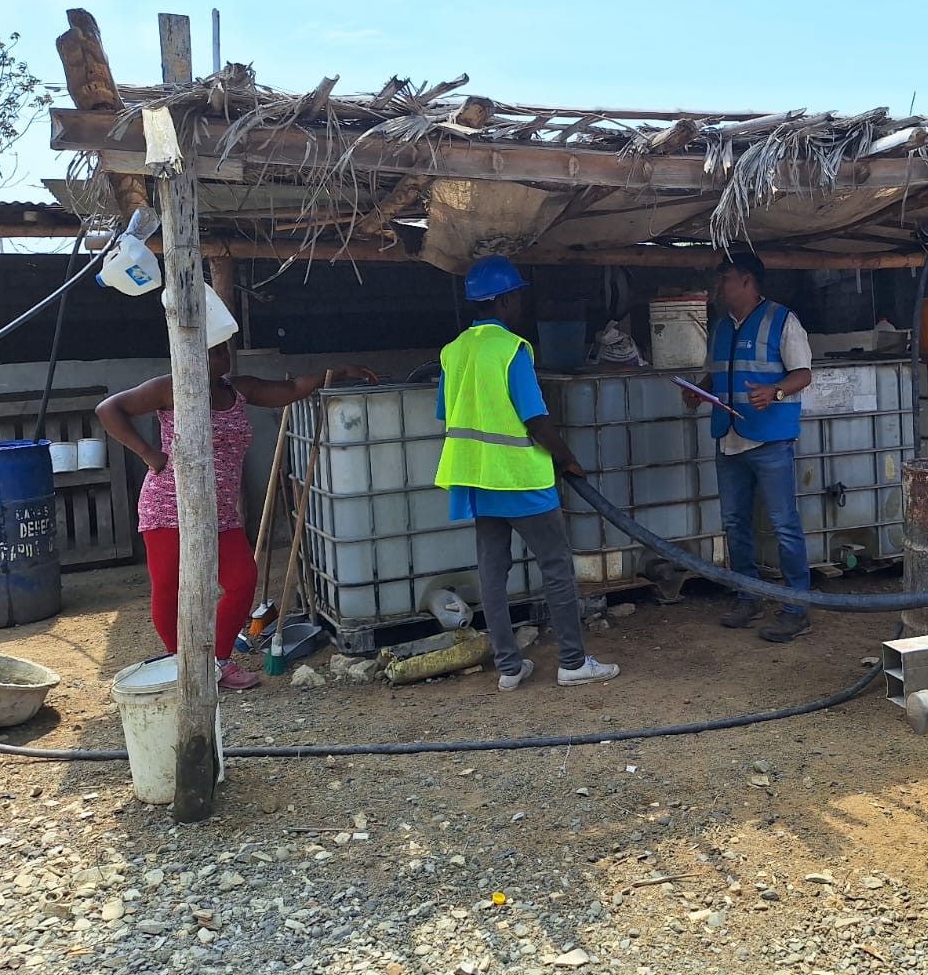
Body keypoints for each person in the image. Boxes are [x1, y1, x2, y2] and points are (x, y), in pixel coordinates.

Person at [97, 342, 373, 690]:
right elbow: (109, 409)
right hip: (170, 504)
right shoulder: (169, 387)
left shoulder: (237, 390)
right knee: (169, 586)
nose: (222, 359)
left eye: (225, 352)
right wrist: (148, 454)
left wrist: (339, 371)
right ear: (190, 351)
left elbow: (290, 389)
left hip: (221, 510)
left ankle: (217, 662)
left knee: (242, 580)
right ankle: (183, 666)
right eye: (214, 352)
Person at [434, 255, 621, 691]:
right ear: (504, 301)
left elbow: (447, 412)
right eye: (517, 297)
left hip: (476, 478)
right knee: (556, 566)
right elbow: (535, 418)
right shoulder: (512, 349)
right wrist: (566, 457)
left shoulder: (453, 351)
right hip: (520, 478)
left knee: (492, 573)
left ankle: (509, 667)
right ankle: (572, 662)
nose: (521, 304)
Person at [682, 250, 815, 642]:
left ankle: (797, 608)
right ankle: (748, 596)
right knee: (734, 522)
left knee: (784, 525)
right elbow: (717, 373)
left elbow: (804, 374)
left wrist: (775, 391)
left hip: (770, 438)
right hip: (729, 437)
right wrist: (699, 391)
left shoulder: (782, 320)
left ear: (746, 281)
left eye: (725, 279)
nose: (718, 286)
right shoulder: (722, 327)